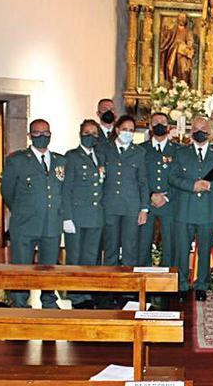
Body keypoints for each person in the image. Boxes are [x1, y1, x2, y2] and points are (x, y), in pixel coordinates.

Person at [1, 119, 66, 308]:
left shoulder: (60, 161)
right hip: (25, 223)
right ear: (30, 136)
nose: (42, 136)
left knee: (49, 266)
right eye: (37, 133)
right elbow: (7, 191)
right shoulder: (17, 160)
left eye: (46, 132)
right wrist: (22, 210)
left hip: (51, 223)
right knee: (22, 266)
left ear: (51, 134)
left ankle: (49, 300)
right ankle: (19, 302)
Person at [170, 116, 213, 302]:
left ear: (210, 131)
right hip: (185, 209)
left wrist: (211, 186)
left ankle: (201, 286)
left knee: (205, 249)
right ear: (190, 132)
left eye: (203, 128)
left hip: (207, 209)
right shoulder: (181, 153)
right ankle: (181, 285)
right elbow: (172, 178)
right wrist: (192, 185)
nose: (199, 132)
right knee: (181, 250)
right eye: (196, 128)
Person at [62, 119, 106, 309]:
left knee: (90, 258)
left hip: (95, 215)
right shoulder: (71, 156)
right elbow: (66, 189)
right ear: (80, 134)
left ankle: (87, 291)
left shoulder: (100, 156)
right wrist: (67, 217)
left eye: (94, 133)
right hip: (77, 216)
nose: (91, 136)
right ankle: (75, 295)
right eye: (87, 132)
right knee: (74, 257)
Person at [99, 115, 148, 268]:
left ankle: (129, 289)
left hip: (131, 207)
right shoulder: (104, 149)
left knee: (130, 248)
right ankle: (109, 287)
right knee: (110, 248)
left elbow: (143, 182)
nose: (128, 133)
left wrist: (144, 208)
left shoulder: (139, 152)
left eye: (131, 130)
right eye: (125, 129)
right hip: (110, 206)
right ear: (117, 129)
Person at [138, 112, 177, 268]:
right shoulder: (141, 150)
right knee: (143, 244)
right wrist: (150, 196)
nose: (159, 125)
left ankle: (167, 287)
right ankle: (143, 284)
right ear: (150, 126)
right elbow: (138, 177)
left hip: (169, 204)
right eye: (155, 122)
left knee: (170, 245)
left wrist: (166, 197)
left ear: (169, 127)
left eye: (163, 122)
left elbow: (181, 177)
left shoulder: (178, 150)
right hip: (147, 204)